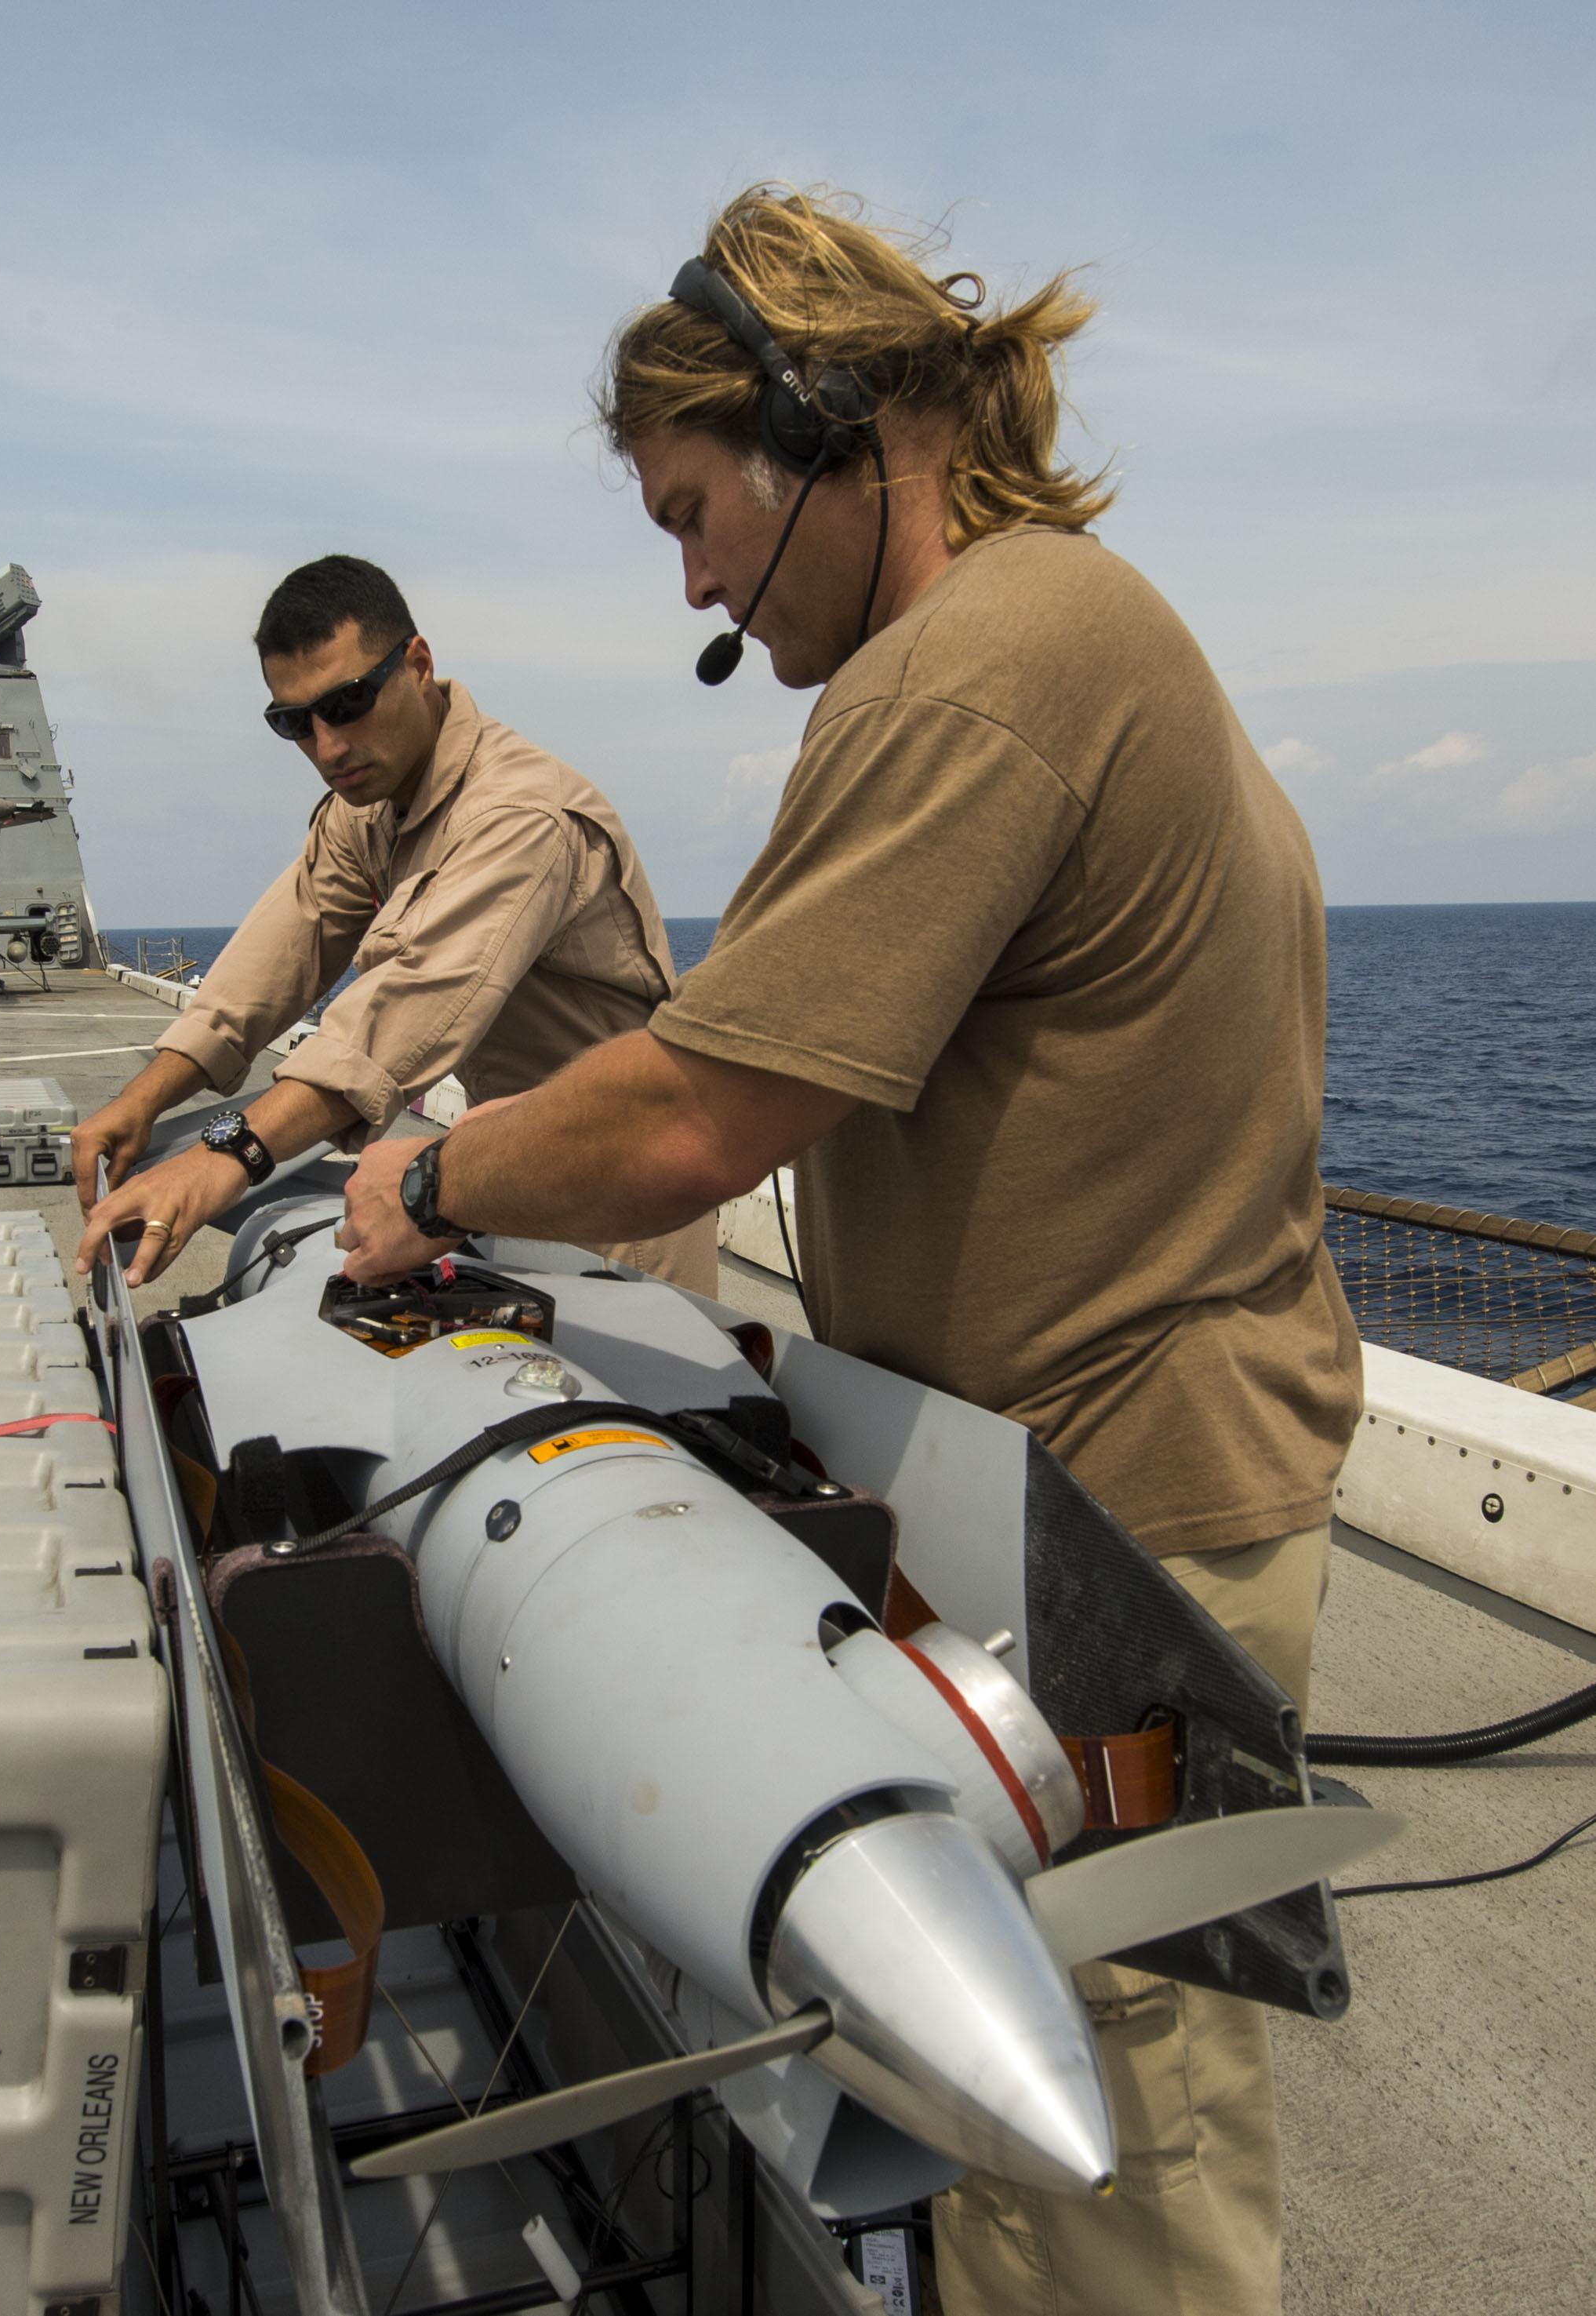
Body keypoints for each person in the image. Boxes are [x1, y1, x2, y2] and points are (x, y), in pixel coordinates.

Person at [336, 187, 1359, 2316]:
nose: (696, 576)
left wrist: (429, 1184)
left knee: (1110, 2150)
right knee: (1051, 2134)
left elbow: (697, 1105)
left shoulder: (980, 667)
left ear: (828, 421)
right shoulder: (1078, 631)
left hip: (1109, 1527)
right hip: (1091, 1486)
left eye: (695, 515)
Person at [75, 554, 714, 1294]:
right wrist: (139, 1101)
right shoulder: (369, 807)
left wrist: (224, 1157)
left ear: (417, 664)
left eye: (347, 704)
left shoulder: (519, 816)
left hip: (618, 1204)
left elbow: (396, 1017)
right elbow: (268, 964)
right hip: (503, 1169)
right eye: (295, 723)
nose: (328, 746)